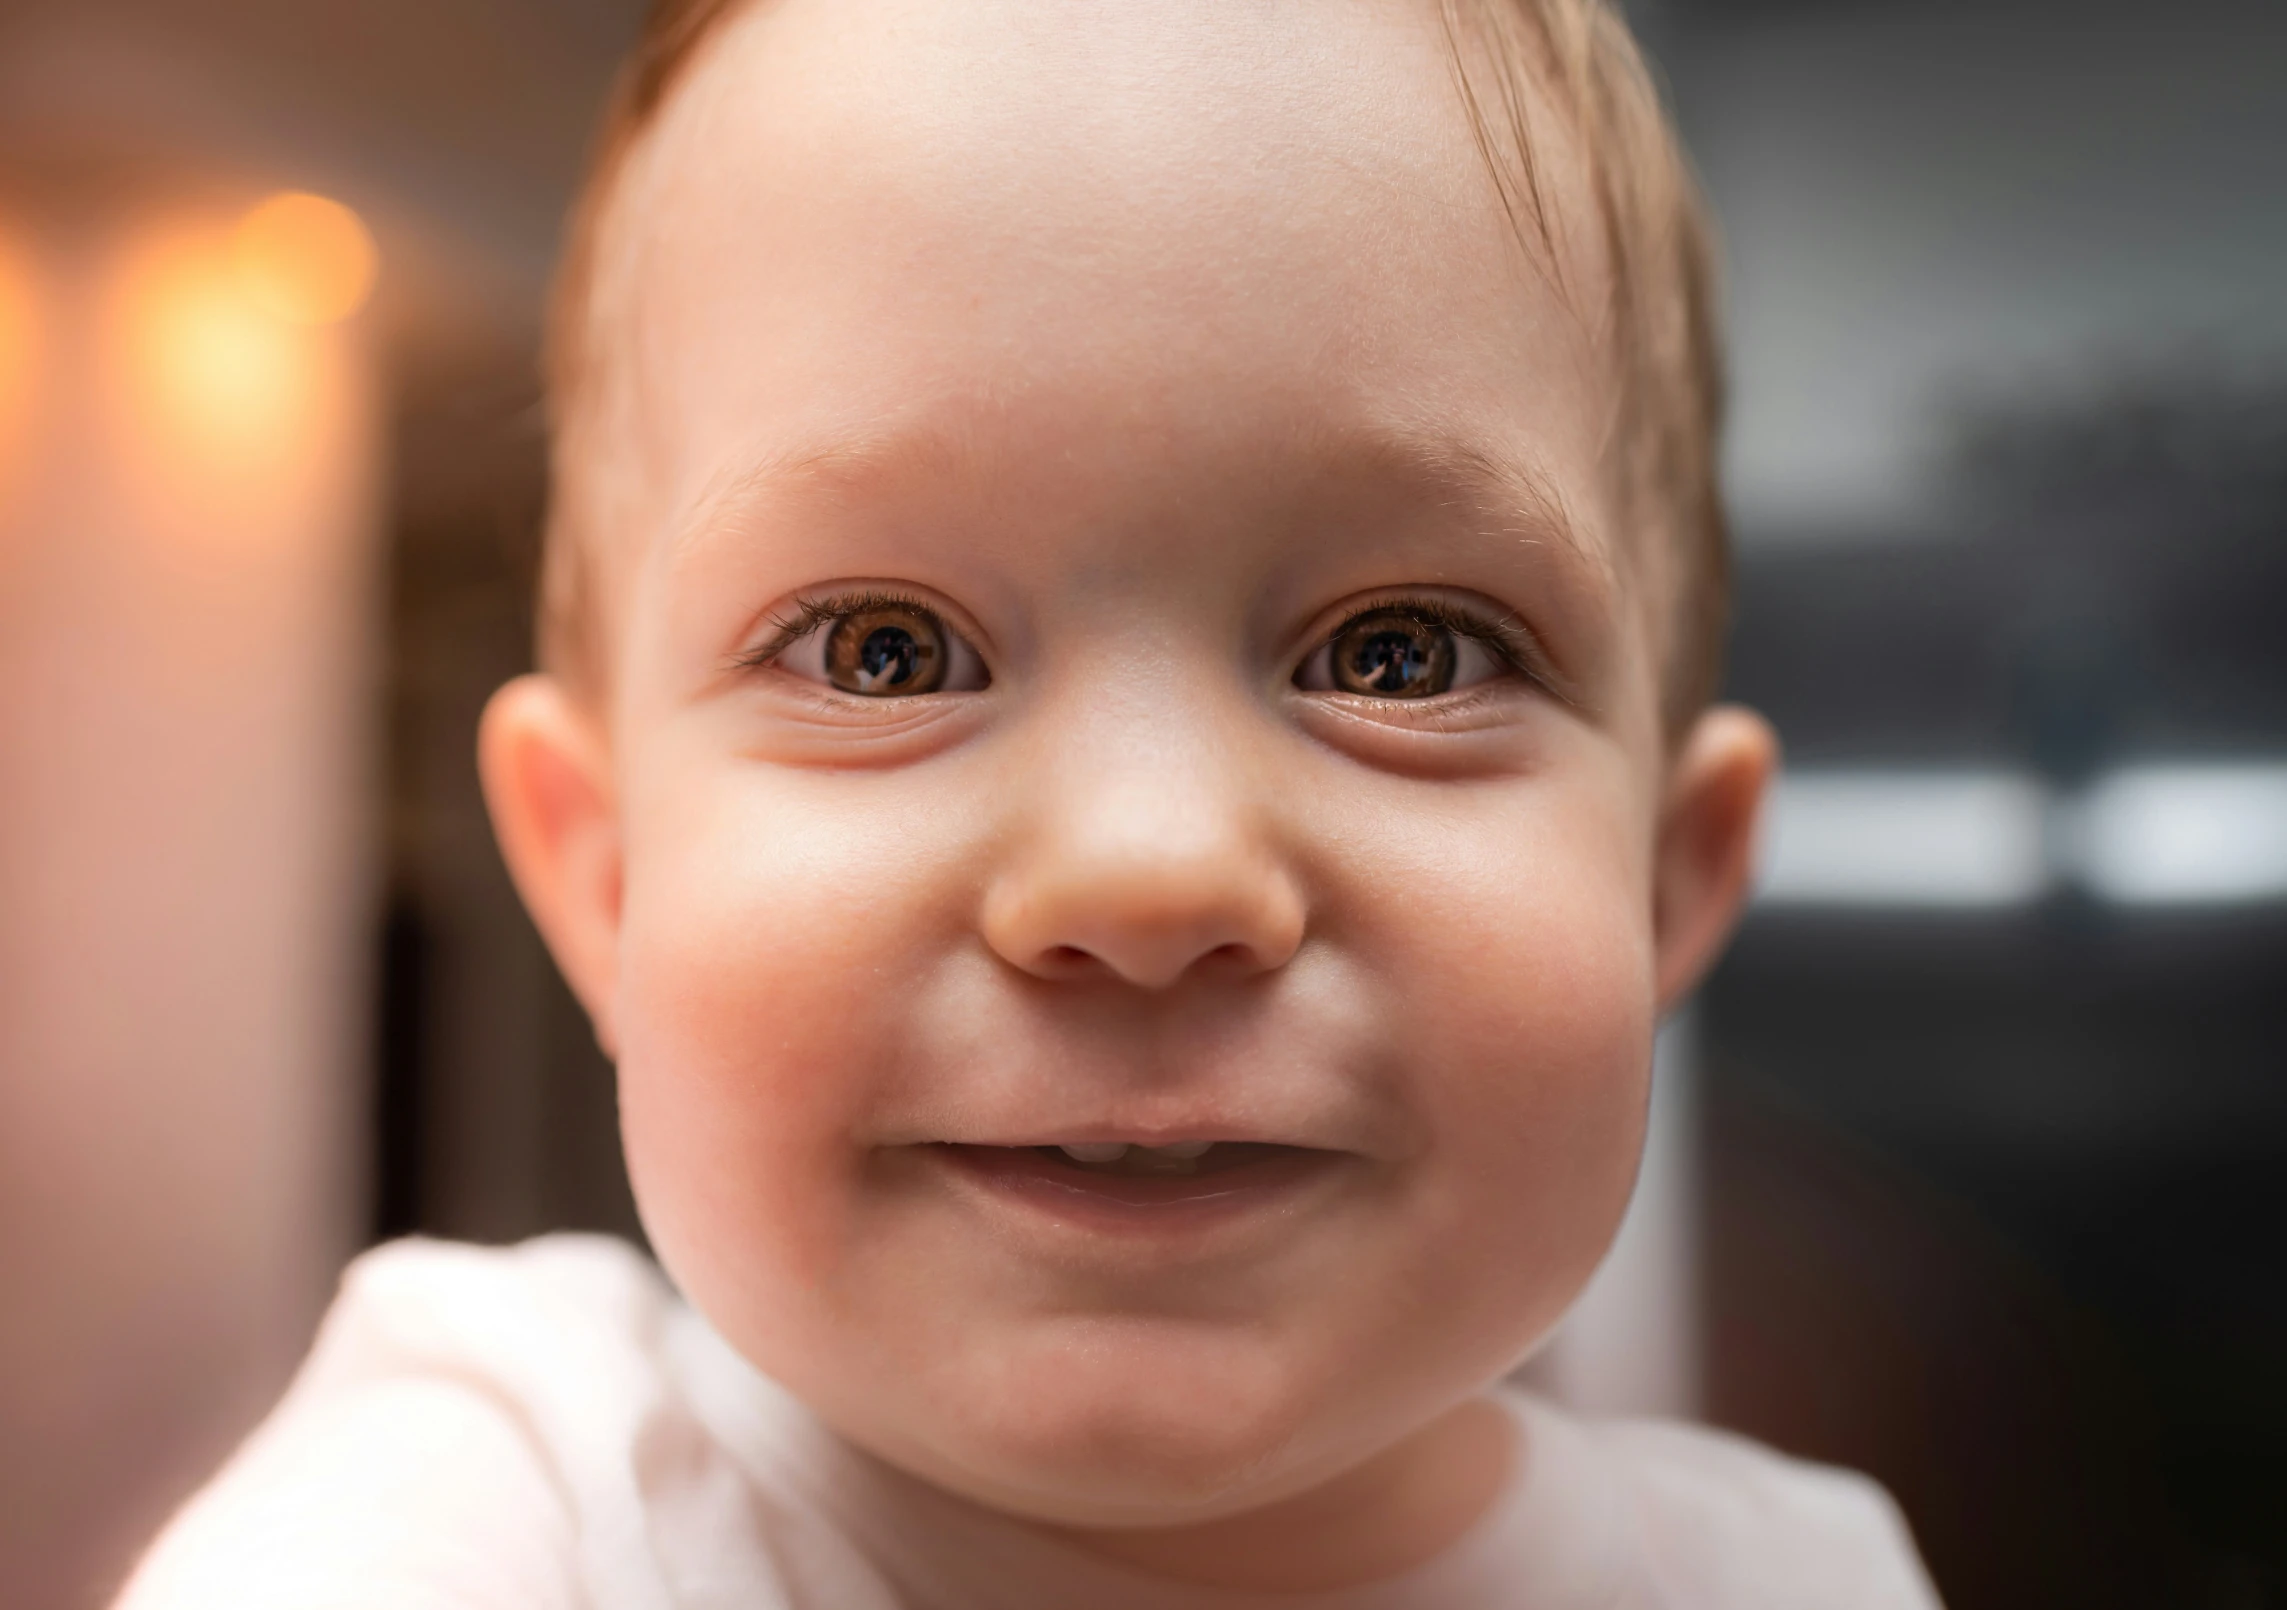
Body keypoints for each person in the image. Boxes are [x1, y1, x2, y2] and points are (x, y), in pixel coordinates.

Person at [119, 0, 1943, 1603]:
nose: (1146, 869)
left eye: (1398, 652)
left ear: (1661, 886)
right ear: (603, 879)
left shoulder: (1793, 1576)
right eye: (886, 651)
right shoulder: (495, 1481)